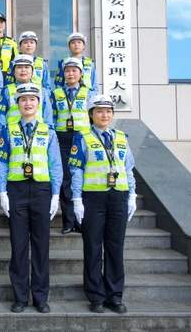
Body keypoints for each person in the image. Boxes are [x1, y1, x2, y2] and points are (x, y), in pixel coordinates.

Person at [0, 83, 63, 314]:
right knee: (19, 246)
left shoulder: (48, 132)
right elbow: (1, 162)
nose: (28, 103)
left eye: (32, 99)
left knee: (41, 246)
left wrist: (56, 194)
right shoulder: (8, 131)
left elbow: (55, 164)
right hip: (17, 190)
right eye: (23, 99)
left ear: (38, 103)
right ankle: (20, 296)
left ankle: (41, 297)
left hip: (42, 191)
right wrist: (2, 192)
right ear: (18, 104)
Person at [68, 94, 137, 314]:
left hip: (118, 197)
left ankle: (115, 296)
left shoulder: (121, 138)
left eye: (108, 111)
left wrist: (132, 195)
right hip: (93, 198)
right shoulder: (82, 138)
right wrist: (76, 199)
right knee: (93, 247)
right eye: (99, 111)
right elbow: (76, 170)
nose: (104, 115)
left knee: (116, 247)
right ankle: (96, 296)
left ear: (112, 114)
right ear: (91, 115)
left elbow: (128, 169)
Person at [51, 57, 94, 235]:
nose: (70, 74)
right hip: (62, 138)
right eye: (67, 71)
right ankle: (69, 222)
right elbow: (53, 116)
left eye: (74, 70)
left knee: (82, 177)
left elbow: (94, 117)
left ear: (80, 74)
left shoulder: (89, 93)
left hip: (82, 138)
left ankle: (83, 221)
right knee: (66, 179)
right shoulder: (56, 93)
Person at [0, 54, 53, 130]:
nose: (23, 70)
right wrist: (2, 132)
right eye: (19, 67)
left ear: (32, 71)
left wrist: (49, 132)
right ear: (13, 71)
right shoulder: (7, 90)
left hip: (38, 133)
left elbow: (48, 116)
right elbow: (0, 115)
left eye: (27, 67)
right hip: (13, 133)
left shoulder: (42, 91)